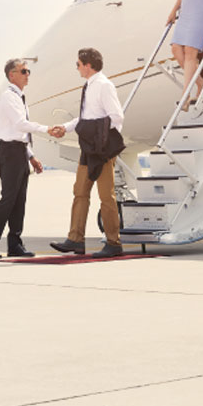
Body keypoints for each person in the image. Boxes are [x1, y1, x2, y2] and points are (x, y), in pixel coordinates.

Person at [47, 47, 126, 258]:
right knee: (80, 192)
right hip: (88, 147)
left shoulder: (104, 86)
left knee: (106, 196)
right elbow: (85, 118)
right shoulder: (88, 86)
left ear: (88, 65)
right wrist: (66, 127)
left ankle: (113, 243)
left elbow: (116, 117)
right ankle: (75, 240)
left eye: (78, 64)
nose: (77, 68)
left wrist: (101, 141)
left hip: (102, 149)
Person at [0, 59, 49, 259]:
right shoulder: (9, 97)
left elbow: (20, 135)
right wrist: (47, 129)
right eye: (24, 71)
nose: (28, 74)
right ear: (12, 75)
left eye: (28, 71)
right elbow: (20, 124)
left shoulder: (20, 97)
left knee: (19, 200)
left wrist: (32, 157)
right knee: (8, 199)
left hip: (19, 151)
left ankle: (15, 244)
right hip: (9, 152)